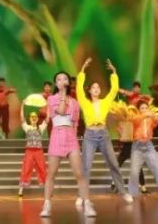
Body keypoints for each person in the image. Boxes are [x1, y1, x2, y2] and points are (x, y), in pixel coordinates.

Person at [40, 69, 97, 219]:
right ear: (56, 83)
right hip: (57, 135)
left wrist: (73, 135)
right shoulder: (51, 99)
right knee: (51, 173)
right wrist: (63, 95)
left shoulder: (75, 103)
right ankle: (47, 204)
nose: (62, 81)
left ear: (68, 82)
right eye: (59, 79)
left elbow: (76, 123)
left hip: (70, 137)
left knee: (79, 173)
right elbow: (60, 111)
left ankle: (87, 203)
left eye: (65, 79)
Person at [77, 58, 129, 204]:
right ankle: (82, 195)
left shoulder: (105, 102)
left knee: (114, 164)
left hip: (103, 135)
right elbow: (79, 90)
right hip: (90, 136)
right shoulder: (85, 102)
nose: (96, 89)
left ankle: (123, 192)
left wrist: (114, 73)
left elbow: (114, 90)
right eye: (94, 87)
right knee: (86, 167)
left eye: (98, 87)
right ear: (89, 90)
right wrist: (82, 70)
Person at [126, 100, 158, 198]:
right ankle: (131, 193)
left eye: (146, 108)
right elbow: (134, 120)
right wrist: (145, 115)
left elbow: (157, 121)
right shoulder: (136, 118)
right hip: (137, 147)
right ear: (138, 110)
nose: (144, 110)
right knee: (134, 171)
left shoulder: (150, 119)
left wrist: (151, 115)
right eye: (142, 108)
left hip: (148, 146)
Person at [18, 99, 47, 197]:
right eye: (32, 117)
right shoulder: (27, 127)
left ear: (37, 119)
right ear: (30, 119)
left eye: (35, 117)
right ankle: (21, 189)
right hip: (29, 151)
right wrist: (22, 105)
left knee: (42, 168)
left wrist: (48, 106)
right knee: (26, 168)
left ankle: (46, 188)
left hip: (39, 151)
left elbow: (48, 119)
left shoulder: (40, 128)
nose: (34, 118)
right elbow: (21, 118)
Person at [114, 103, 145, 194]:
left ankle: (143, 186)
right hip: (126, 147)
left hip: (134, 147)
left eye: (133, 112)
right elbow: (121, 135)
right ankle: (114, 183)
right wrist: (120, 133)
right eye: (129, 112)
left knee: (138, 167)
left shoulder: (137, 123)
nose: (131, 113)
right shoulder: (124, 122)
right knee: (117, 165)